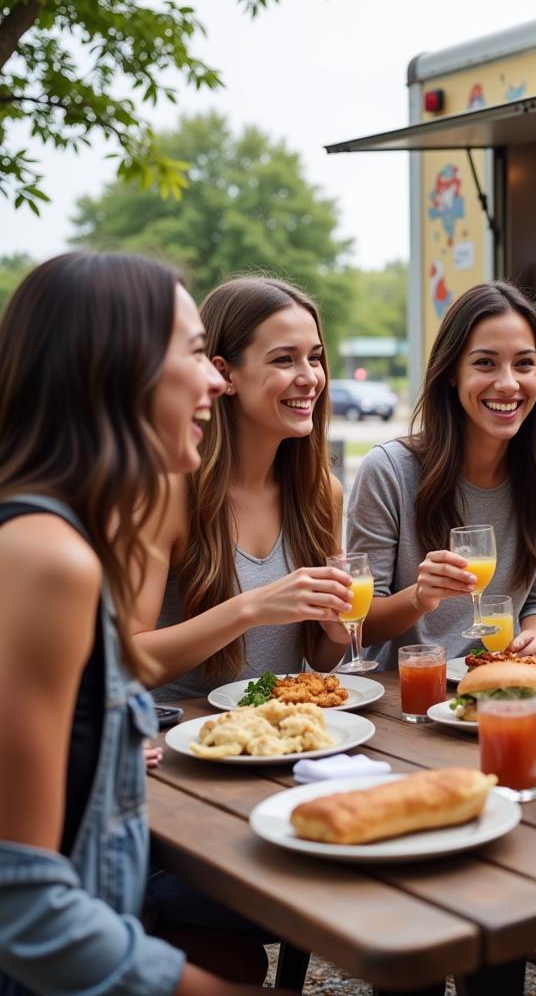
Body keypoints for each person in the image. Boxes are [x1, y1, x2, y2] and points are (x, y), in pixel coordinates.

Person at [0, 252, 273, 995]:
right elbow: (19, 902)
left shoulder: (64, 537)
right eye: (193, 353)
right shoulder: (46, 557)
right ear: (113, 370)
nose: (218, 380)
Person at [134, 277, 353, 703]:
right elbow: (129, 660)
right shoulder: (167, 493)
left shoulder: (322, 492)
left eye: (315, 358)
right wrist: (249, 609)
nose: (310, 378)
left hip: (284, 734)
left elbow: (320, 658)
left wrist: (338, 631)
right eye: (284, 360)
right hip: (180, 743)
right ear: (223, 374)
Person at [347, 281, 536, 671]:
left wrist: (533, 638)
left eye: (524, 363)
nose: (508, 383)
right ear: (451, 372)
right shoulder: (388, 471)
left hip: (498, 684)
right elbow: (359, 626)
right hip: (403, 698)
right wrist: (419, 597)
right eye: (486, 363)